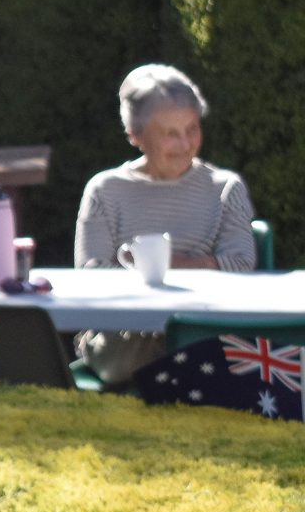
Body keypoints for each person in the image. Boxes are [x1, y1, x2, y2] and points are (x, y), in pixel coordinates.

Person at [74, 64, 256, 385]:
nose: (186, 144)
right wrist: (165, 275)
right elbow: (92, 275)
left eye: (192, 129)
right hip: (126, 335)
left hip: (204, 325)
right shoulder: (104, 190)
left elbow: (241, 265)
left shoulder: (226, 188)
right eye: (171, 134)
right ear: (136, 136)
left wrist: (162, 268)